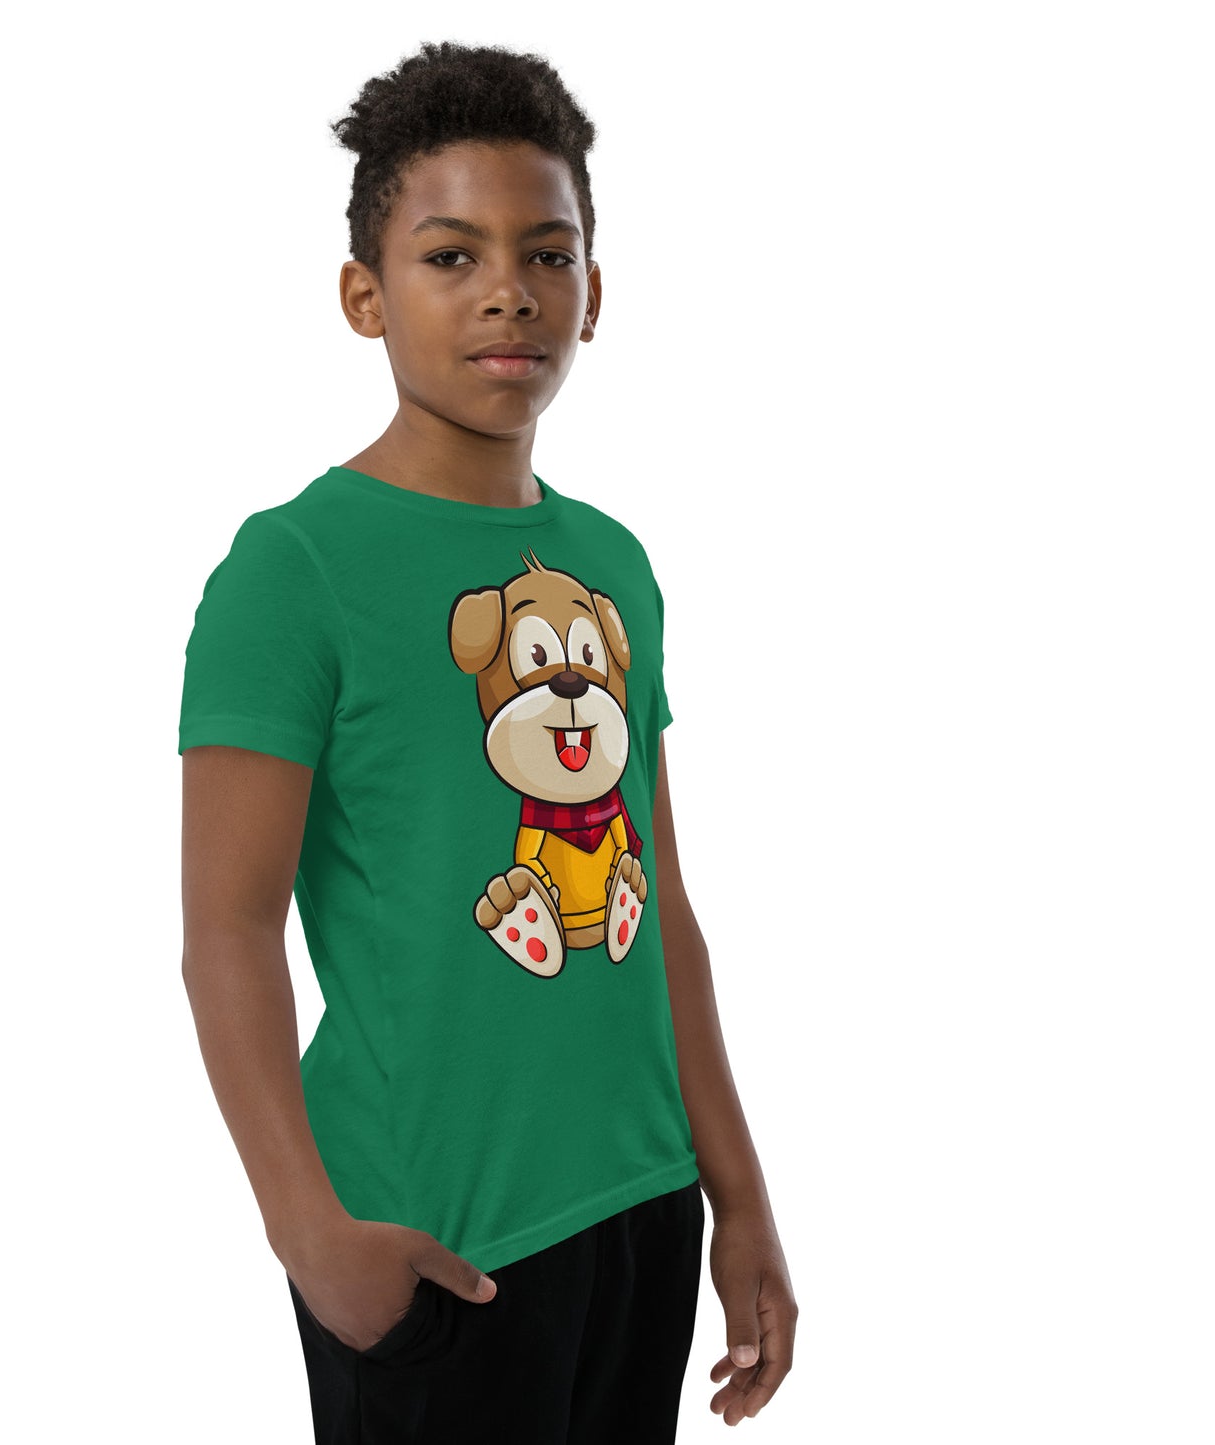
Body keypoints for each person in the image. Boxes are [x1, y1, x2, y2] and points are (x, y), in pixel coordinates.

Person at [178, 39, 796, 1443]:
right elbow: (227, 932)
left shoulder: (612, 564)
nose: (507, 291)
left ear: (594, 292)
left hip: (640, 1203)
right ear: (365, 294)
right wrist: (310, 1235)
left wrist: (739, 1196)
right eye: (450, 255)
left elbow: (661, 908)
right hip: (434, 1238)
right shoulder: (295, 568)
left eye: (546, 253)